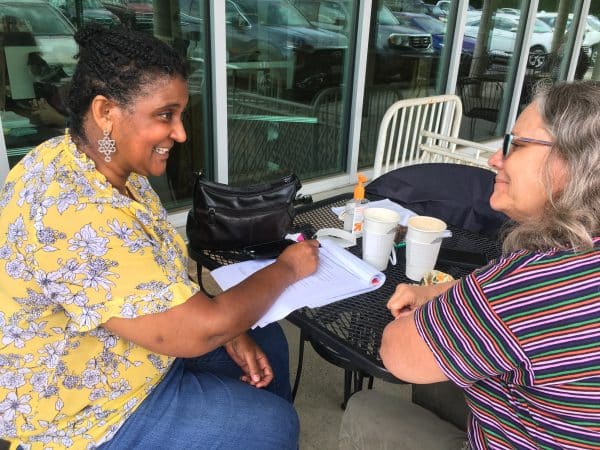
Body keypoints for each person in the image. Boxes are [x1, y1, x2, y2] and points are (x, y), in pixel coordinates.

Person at [0, 24, 320, 449]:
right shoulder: (76, 213)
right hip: (81, 407)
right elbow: (198, 330)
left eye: (181, 114)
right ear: (105, 112)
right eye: (165, 115)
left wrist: (229, 329)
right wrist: (287, 268)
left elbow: (156, 272)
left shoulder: (86, 160)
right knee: (273, 425)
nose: (182, 133)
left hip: (124, 344)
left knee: (265, 340)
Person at [341, 80, 600, 449]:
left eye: (518, 145)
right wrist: (439, 293)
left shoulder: (534, 283)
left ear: (573, 163)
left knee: (366, 409)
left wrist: (445, 308)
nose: (495, 159)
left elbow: (396, 353)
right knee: (447, 378)